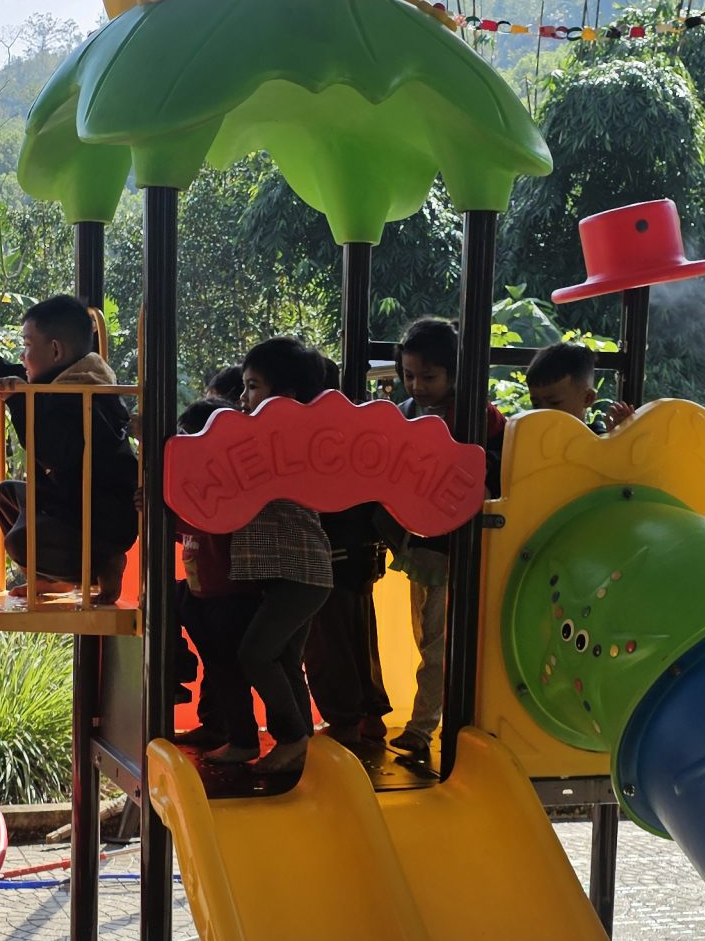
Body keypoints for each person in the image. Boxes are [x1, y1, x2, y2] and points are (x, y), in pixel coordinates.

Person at [0, 294, 140, 598]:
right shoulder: (66, 377)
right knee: (7, 495)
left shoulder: (83, 395)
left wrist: (18, 401)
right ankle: (53, 578)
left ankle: (104, 563)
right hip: (73, 504)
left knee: (21, 542)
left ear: (55, 350)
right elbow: (15, 372)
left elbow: (53, 452)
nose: (22, 356)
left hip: (101, 521)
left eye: (27, 345)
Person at [207, 336, 335, 774]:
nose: (243, 398)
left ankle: (292, 736)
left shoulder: (284, 441)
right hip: (295, 573)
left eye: (253, 386)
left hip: (301, 572)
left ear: (287, 397)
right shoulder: (269, 438)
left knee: (255, 654)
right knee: (282, 659)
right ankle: (302, 746)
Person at [389, 317, 506, 763]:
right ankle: (430, 721)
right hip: (421, 545)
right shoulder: (405, 413)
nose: (417, 386)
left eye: (429, 376)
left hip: (457, 545)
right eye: (409, 375)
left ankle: (423, 728)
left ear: (455, 373)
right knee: (427, 637)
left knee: (439, 642)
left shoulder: (479, 416)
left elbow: (498, 470)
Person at [304, 354, 395, 762]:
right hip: (361, 549)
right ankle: (370, 714)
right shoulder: (355, 428)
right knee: (359, 635)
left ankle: (343, 720)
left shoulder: (315, 435)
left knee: (328, 642)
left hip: (331, 551)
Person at [173, 394, 260, 753]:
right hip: (204, 590)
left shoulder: (228, 483)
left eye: (189, 440)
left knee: (226, 668)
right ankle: (215, 726)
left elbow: (210, 524)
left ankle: (242, 739)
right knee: (216, 664)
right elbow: (189, 533)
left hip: (229, 594)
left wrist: (165, 512)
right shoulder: (198, 482)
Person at [523, 341, 635, 434]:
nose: (542, 412)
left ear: (587, 398)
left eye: (554, 403)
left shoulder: (598, 439)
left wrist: (619, 439)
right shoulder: (528, 439)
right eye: (536, 404)